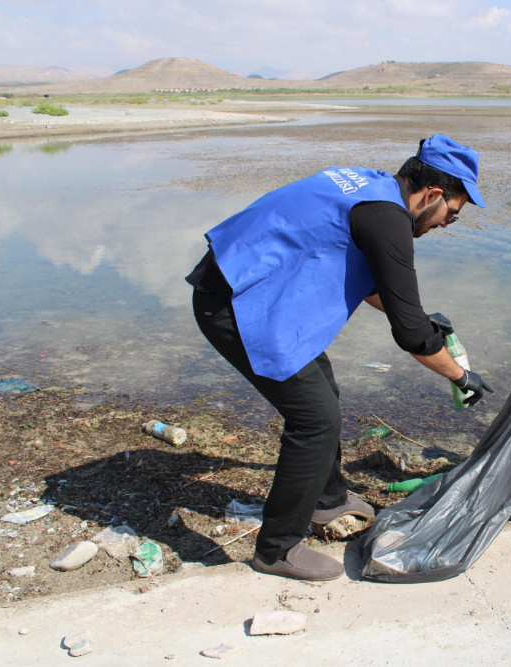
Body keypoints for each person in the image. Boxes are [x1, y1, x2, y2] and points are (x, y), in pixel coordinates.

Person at [186, 135, 493, 580]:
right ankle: (277, 549)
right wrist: (461, 376)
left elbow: (373, 283)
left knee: (323, 388)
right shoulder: (388, 219)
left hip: (239, 282)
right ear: (431, 194)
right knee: (315, 419)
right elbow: (410, 336)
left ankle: (327, 499)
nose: (447, 224)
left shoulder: (370, 186)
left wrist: (422, 318)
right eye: (452, 213)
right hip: (232, 302)